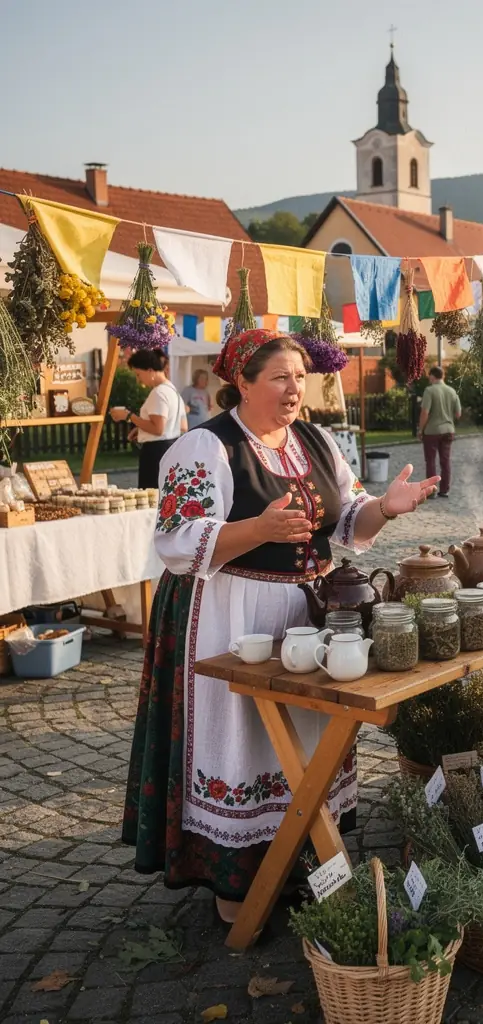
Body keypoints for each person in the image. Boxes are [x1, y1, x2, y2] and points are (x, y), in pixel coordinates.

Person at [121, 329, 439, 926]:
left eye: (300, 377)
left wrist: (386, 508)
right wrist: (257, 530)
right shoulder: (204, 447)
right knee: (242, 740)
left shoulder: (315, 440)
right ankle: (236, 884)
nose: (295, 389)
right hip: (230, 614)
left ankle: (299, 859)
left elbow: (348, 516)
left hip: (307, 615)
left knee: (305, 737)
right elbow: (179, 539)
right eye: (280, 378)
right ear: (243, 383)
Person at [109, 350, 188, 488]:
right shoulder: (172, 390)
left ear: (150, 370)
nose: (138, 380)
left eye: (138, 374)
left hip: (156, 452)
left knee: (151, 494)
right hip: (171, 448)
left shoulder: (159, 393)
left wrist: (128, 416)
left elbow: (158, 428)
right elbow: (182, 426)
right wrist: (141, 429)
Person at [418, 365, 461, 499]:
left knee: (430, 461)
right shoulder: (452, 391)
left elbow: (425, 412)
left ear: (432, 376)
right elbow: (458, 413)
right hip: (448, 430)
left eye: (429, 376)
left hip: (432, 431)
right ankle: (444, 490)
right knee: (445, 461)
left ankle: (431, 491)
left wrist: (421, 429)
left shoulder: (429, 390)